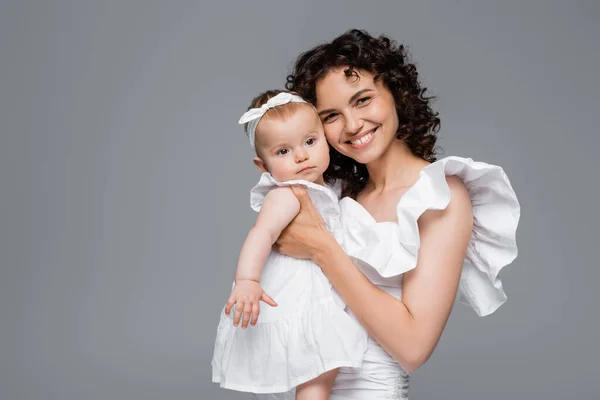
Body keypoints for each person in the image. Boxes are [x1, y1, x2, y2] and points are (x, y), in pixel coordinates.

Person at [252, 29, 521, 399]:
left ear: (396, 92)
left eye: (362, 100)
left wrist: (323, 249)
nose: (352, 125)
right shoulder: (332, 194)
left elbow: (412, 348)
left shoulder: (441, 196)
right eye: (331, 115)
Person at [211, 90, 369, 399]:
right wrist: (247, 280)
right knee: (317, 370)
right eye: (283, 151)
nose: (301, 156)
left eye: (310, 142)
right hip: (301, 294)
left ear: (325, 139)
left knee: (323, 369)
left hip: (324, 286)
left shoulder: (334, 187)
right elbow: (262, 234)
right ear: (263, 165)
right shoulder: (286, 194)